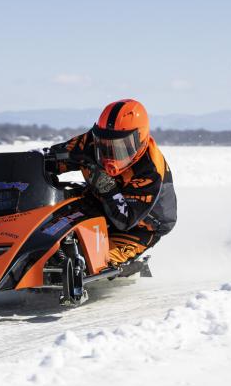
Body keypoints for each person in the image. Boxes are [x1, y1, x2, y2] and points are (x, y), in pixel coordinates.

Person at [44, 98, 177, 265]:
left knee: (99, 261)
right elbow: (51, 158)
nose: (109, 154)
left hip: (140, 226)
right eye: (104, 144)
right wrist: (31, 161)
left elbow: (125, 221)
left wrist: (107, 188)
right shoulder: (89, 142)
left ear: (140, 140)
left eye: (120, 146)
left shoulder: (150, 171)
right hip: (99, 200)